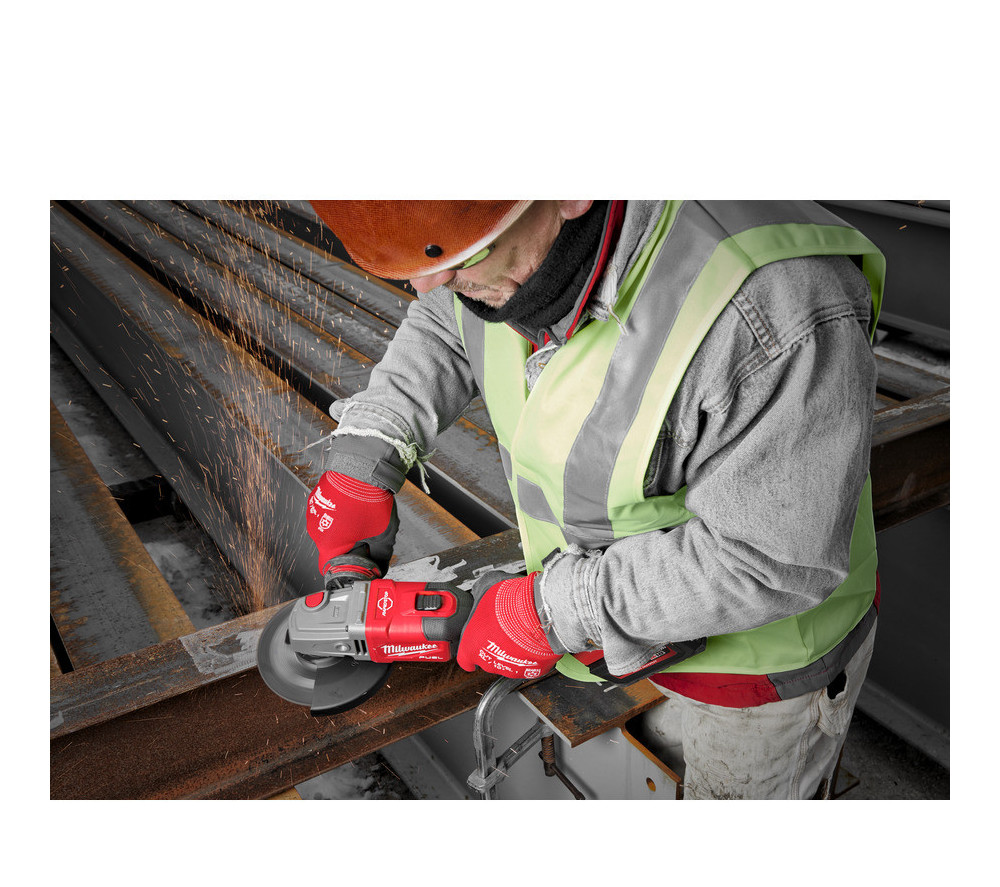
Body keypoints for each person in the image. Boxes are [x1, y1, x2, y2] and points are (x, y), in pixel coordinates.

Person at [304, 200, 885, 800]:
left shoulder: (774, 307)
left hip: (756, 672)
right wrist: (370, 446)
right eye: (418, 266)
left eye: (461, 255)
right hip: (623, 631)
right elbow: (449, 318)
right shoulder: (495, 261)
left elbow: (770, 559)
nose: (429, 283)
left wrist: (554, 611)